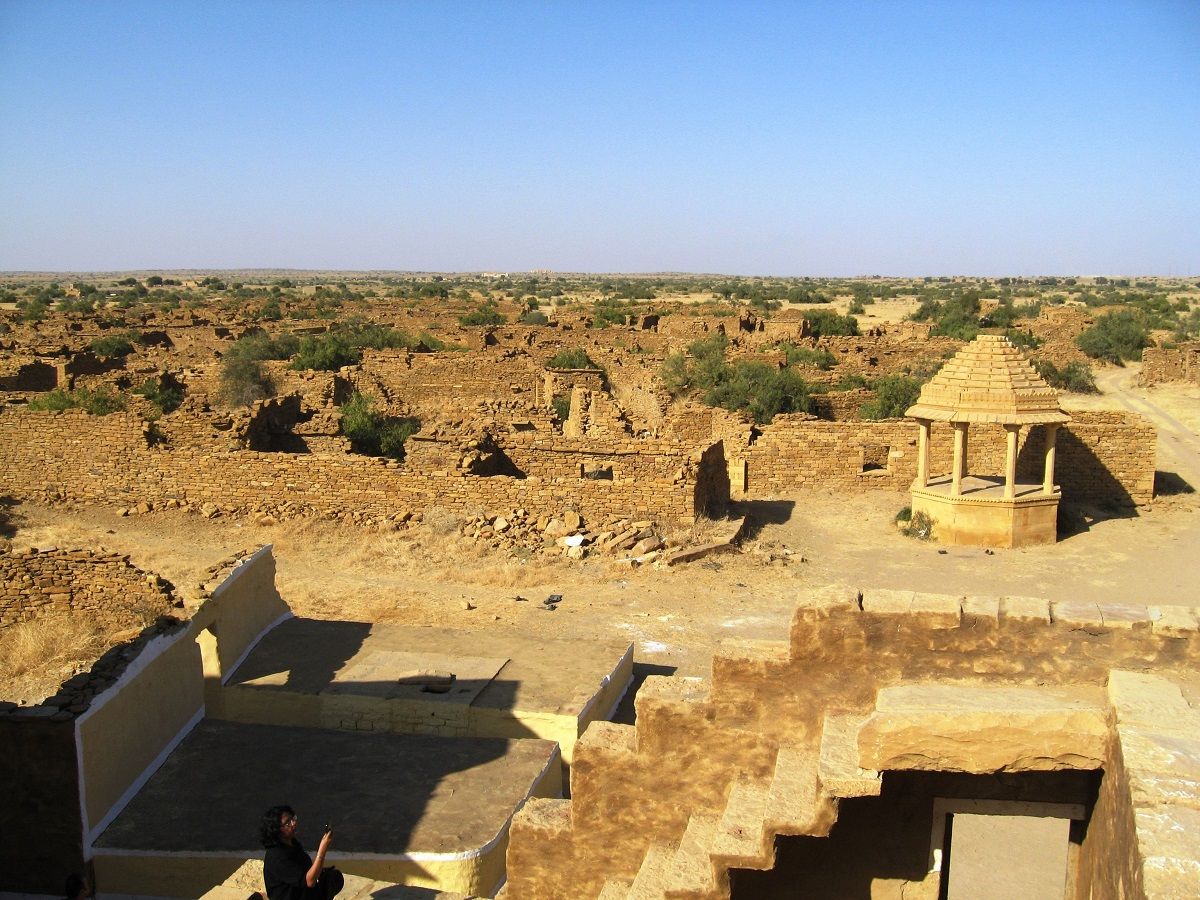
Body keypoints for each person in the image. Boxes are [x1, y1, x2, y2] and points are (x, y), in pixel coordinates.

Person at [260, 805, 343, 900]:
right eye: (288, 823)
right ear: (276, 830)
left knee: (334, 877)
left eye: (293, 818)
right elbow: (309, 881)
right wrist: (322, 849)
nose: (293, 823)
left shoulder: (292, 844)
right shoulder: (278, 857)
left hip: (302, 891)